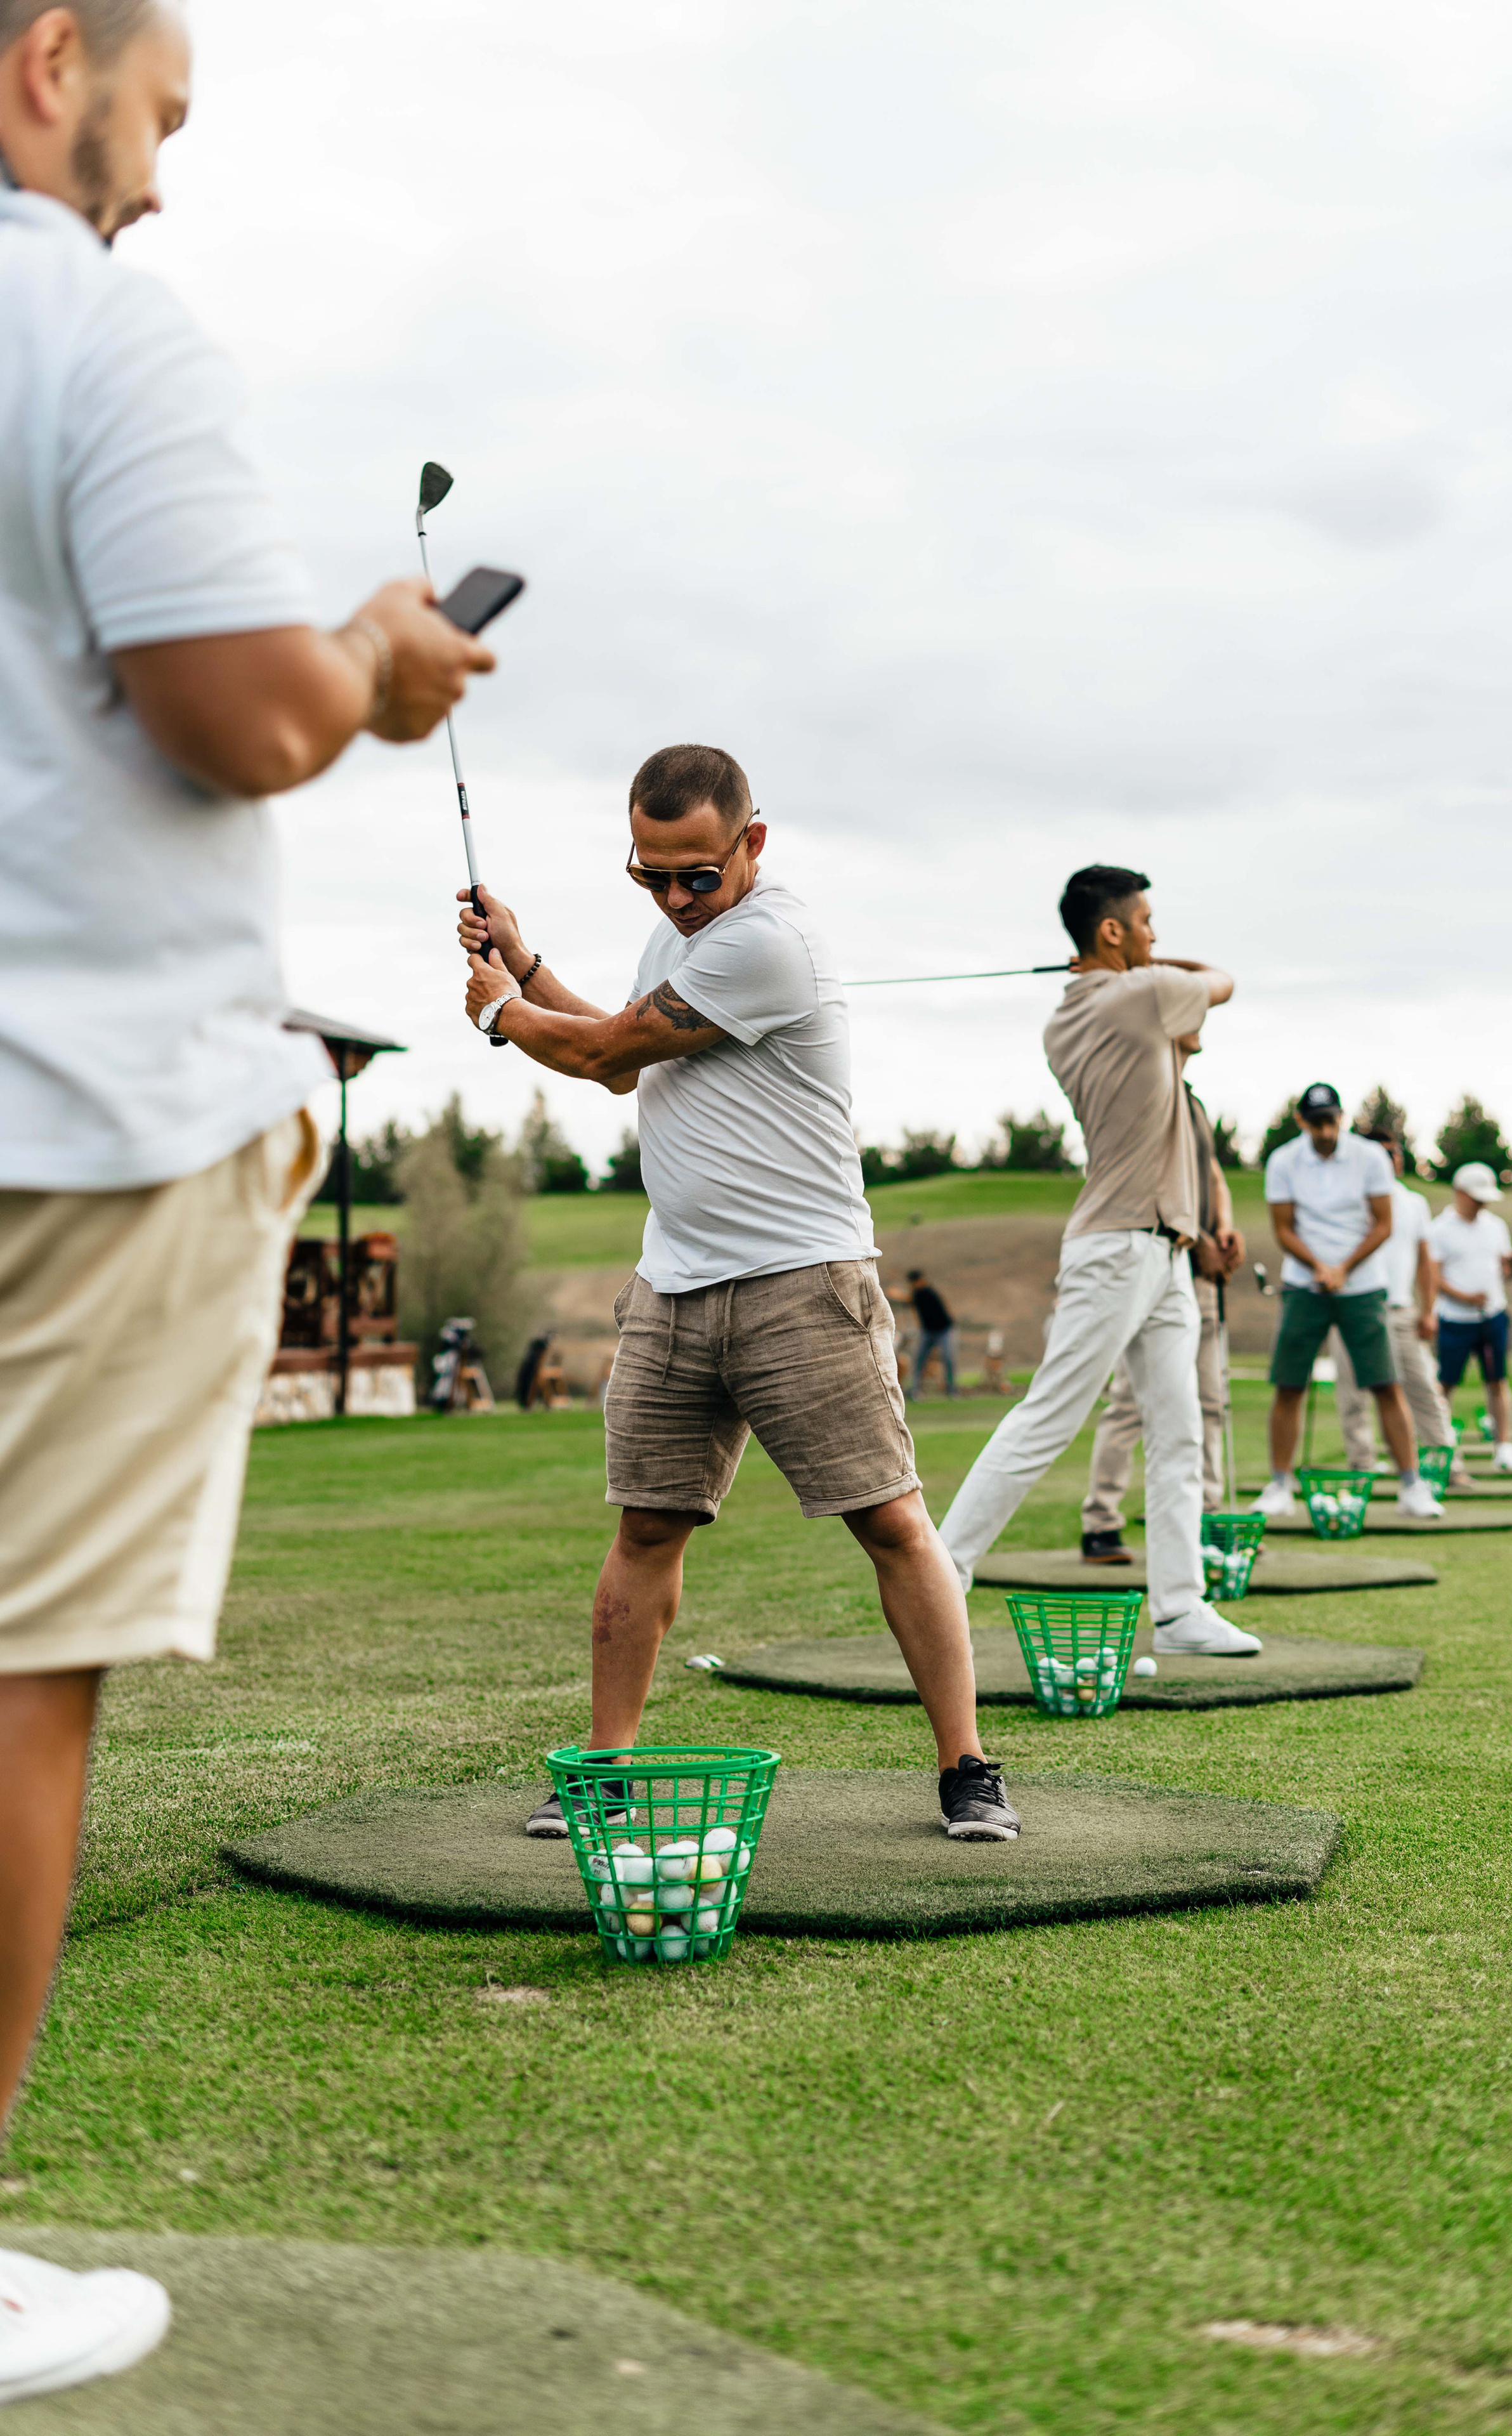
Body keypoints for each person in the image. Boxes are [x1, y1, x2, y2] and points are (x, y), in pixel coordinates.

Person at [0, 1, 491, 2400]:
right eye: (156, 120)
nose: (158, 178)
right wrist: (381, 661)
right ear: (51, 59)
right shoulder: (86, 317)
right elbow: (246, 714)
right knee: (11, 1667)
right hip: (70, 1123)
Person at [457, 743, 1019, 1842]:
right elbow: (628, 1064)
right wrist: (526, 969)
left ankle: (969, 1769)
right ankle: (606, 1772)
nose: (674, 897)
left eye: (696, 876)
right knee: (646, 1533)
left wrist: (497, 1015)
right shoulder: (682, 931)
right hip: (673, 1287)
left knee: (894, 1524)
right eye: (651, 876)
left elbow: (605, 1048)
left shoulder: (771, 942)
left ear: (751, 843)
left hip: (803, 1281)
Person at [934, 865, 1260, 1657]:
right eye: (1145, 921)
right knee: (1049, 1416)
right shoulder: (1130, 997)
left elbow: (1186, 1028)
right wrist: (1158, 964)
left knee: (1178, 1432)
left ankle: (1180, 1610)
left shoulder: (1080, 1013)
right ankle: (937, 1576)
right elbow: (1223, 983)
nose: (1155, 935)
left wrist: (1133, 962)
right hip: (1117, 1249)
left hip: (1164, 1252)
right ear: (1110, 931)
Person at [1081, 1033, 1244, 1561]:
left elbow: (1212, 1174)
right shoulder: (1143, 1091)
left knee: (1210, 1399)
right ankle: (1100, 1522)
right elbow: (1144, 1186)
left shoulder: (1191, 1098)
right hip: (1155, 1264)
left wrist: (1225, 1227)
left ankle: (1209, 1517)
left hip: (1198, 1271)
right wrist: (1200, 1242)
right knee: (1131, 1401)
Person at [1250, 1087, 1442, 1517]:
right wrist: (1319, 1266)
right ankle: (1280, 1486)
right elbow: (1284, 1229)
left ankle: (1411, 1487)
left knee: (1386, 1384)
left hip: (1363, 1286)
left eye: (1331, 1120)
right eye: (1316, 1122)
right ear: (1302, 1121)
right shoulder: (1284, 1161)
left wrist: (1343, 1268)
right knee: (1289, 1384)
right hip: (1305, 1284)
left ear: (1342, 1117)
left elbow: (1382, 1224)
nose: (1325, 1130)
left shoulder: (1369, 1158)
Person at [1331, 1126, 1471, 1489]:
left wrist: (1429, 1310)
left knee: (1425, 1387)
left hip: (1400, 1309)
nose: (1389, 1160)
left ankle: (1446, 1461)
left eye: (1393, 1153)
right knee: (1353, 1394)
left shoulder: (1413, 1203)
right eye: (1380, 1153)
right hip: (1350, 1308)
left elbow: (1425, 1261)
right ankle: (1363, 1465)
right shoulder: (1346, 1199)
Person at [1428, 1161, 1512, 1470]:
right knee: (1445, 1385)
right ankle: (1439, 1448)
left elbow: (1506, 1274)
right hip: (1455, 1320)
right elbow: (1433, 1278)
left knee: (1498, 1381)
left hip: (1493, 1317)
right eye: (1476, 1197)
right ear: (1459, 1193)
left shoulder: (1496, 1226)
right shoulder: (1439, 1229)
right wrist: (1465, 1297)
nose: (1482, 1203)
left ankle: (1504, 1447)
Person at [903, 1267, 956, 1398]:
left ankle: (951, 1389)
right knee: (919, 1359)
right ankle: (916, 1390)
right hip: (928, 1332)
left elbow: (909, 1299)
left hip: (944, 1330)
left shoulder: (927, 1292)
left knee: (948, 1358)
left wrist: (896, 1294)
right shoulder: (917, 1293)